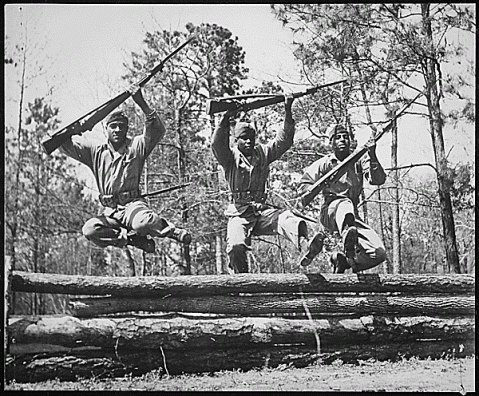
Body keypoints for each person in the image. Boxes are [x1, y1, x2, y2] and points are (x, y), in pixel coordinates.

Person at [60, 86, 191, 254]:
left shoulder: (136, 146)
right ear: (106, 128)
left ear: (127, 129)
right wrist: (74, 130)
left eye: (121, 126)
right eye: (113, 126)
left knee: (143, 223)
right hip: (110, 212)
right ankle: (131, 240)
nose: (117, 130)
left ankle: (172, 232)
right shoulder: (95, 151)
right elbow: (65, 145)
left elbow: (157, 130)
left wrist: (142, 103)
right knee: (90, 230)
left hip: (132, 206)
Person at [211, 96, 324, 273]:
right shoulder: (229, 158)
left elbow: (283, 142)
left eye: (251, 138)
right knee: (235, 246)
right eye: (244, 138)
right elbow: (217, 144)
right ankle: (242, 281)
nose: (248, 142)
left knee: (287, 219)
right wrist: (226, 118)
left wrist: (288, 109)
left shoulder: (262, 153)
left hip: (261, 212)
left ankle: (305, 246)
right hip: (239, 213)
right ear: (236, 140)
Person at [298, 123, 387, 273]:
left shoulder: (359, 160)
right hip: (330, 213)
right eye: (337, 138)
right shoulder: (324, 164)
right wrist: (317, 186)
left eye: (346, 137)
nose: (342, 140)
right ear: (331, 143)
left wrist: (372, 154)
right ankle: (346, 236)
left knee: (379, 253)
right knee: (343, 203)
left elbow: (378, 180)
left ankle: (344, 261)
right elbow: (304, 187)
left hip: (351, 214)